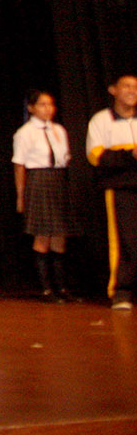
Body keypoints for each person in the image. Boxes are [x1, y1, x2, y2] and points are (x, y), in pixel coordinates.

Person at [13, 89, 78, 301]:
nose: (48, 108)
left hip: (58, 179)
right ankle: (46, 288)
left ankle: (62, 287)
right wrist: (21, 195)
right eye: (42, 104)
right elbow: (19, 165)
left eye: (50, 104)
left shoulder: (59, 129)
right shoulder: (25, 132)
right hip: (38, 179)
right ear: (31, 108)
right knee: (42, 235)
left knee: (60, 235)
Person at [87, 73, 137, 311]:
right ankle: (121, 290)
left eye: (135, 87)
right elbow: (95, 155)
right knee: (125, 240)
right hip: (120, 189)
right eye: (126, 86)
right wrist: (129, 155)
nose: (132, 91)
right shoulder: (101, 120)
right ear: (113, 90)